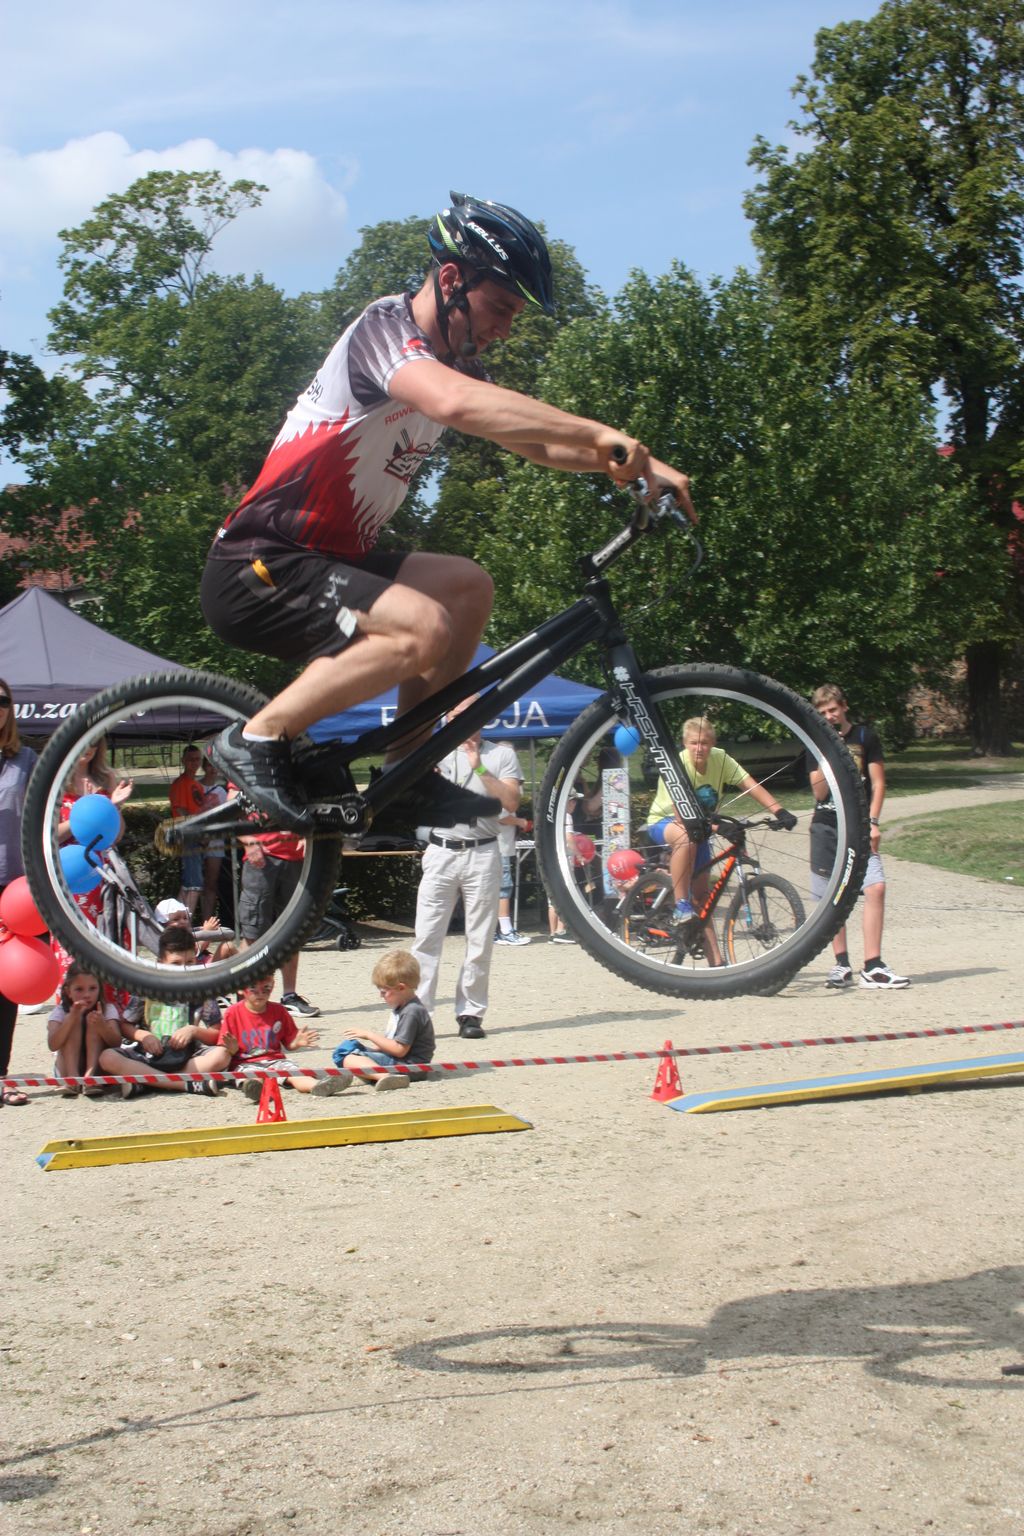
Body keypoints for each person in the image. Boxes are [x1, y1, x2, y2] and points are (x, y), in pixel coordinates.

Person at [201, 191, 693, 835]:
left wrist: (635, 465)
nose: (505, 329)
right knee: (422, 629)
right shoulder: (384, 331)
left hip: (325, 563)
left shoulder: (455, 365)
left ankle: (406, 772)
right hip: (259, 565)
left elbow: (536, 442)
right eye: (501, 308)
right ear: (453, 280)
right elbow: (455, 404)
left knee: (467, 586)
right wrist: (604, 433)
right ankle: (255, 737)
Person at [410, 699, 523, 1038]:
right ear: (447, 718)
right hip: (441, 850)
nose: (463, 721)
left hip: (483, 851)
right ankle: (418, 1014)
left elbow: (511, 802)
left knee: (480, 938)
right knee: (426, 936)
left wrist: (479, 768)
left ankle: (470, 1013)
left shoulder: (501, 754)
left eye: (471, 714)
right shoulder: (433, 752)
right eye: (456, 715)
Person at [646, 716, 797, 964]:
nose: (699, 748)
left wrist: (779, 811)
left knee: (703, 898)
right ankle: (681, 906)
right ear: (685, 743)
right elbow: (682, 816)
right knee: (685, 838)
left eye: (704, 743)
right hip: (667, 822)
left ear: (713, 743)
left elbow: (749, 784)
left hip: (701, 827)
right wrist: (718, 827)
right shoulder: (677, 764)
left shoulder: (720, 758)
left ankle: (716, 962)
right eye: (694, 743)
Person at [808, 684, 909, 990]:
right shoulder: (814, 742)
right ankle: (841, 964)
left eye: (833, 710)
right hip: (826, 825)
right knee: (831, 897)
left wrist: (873, 822)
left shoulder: (865, 736)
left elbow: (878, 784)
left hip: (859, 825)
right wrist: (828, 750)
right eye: (823, 713)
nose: (829, 716)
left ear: (844, 707)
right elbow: (819, 792)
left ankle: (873, 965)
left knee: (875, 887)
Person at [98, 926, 224, 1097]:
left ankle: (147, 1083)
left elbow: (216, 1033)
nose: (183, 969)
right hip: (147, 1057)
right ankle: (184, 1084)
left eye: (189, 962)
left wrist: (193, 1031)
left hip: (187, 1057)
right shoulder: (147, 987)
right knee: (107, 1057)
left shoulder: (202, 989)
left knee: (222, 1055)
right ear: (160, 963)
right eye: (176, 964)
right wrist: (144, 1036)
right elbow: (125, 1025)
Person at [199, 977, 352, 1101]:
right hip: (245, 1063)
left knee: (295, 1074)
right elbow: (225, 1048)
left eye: (266, 988)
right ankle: (256, 1091)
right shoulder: (233, 1013)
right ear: (241, 989)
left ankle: (318, 1086)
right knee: (251, 1078)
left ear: (272, 986)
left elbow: (289, 1043)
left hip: (276, 1060)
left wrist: (297, 1042)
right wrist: (231, 1049)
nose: (260, 993)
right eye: (253, 988)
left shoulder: (279, 1010)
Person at [0, 678, 37, 1104]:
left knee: (5, 985)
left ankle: (1, 1075)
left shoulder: (26, 760)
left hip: (12, 885)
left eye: (2, 700)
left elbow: (41, 819)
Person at [237, 830, 319, 1016]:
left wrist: (309, 835)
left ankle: (290, 997)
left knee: (293, 930)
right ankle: (243, 999)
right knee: (253, 933)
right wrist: (248, 840)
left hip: (296, 859)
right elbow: (230, 816)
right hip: (261, 857)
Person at [332, 949, 436, 1090]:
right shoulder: (403, 1007)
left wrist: (369, 1035)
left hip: (411, 1066)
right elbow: (394, 1043)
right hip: (402, 1061)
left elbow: (399, 1050)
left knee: (348, 1057)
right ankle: (372, 1073)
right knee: (347, 1048)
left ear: (401, 988)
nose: (381, 996)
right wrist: (372, 1049)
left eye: (383, 991)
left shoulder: (411, 1012)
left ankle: (385, 1077)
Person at [47, 965, 123, 1097]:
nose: (87, 995)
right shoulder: (60, 1011)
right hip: (66, 1069)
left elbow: (116, 1042)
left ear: (100, 988)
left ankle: (90, 1076)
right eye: (79, 989)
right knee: (73, 1021)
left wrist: (102, 1026)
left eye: (92, 988)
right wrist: (70, 1019)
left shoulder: (107, 1009)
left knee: (92, 1019)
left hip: (99, 1070)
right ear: (68, 991)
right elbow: (52, 1044)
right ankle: (72, 1078)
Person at [168, 744, 205, 917]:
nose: (194, 763)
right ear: (183, 761)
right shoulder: (181, 784)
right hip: (187, 836)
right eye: (190, 760)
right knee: (194, 883)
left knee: (190, 882)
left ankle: (178, 920)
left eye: (197, 759)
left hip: (196, 837)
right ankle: (184, 922)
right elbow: (181, 810)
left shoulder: (196, 785)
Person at [198, 757, 227, 920]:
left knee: (211, 882)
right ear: (204, 767)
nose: (213, 769)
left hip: (216, 841)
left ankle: (207, 920)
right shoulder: (196, 787)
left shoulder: (222, 792)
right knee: (195, 882)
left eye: (215, 766)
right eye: (209, 765)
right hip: (197, 839)